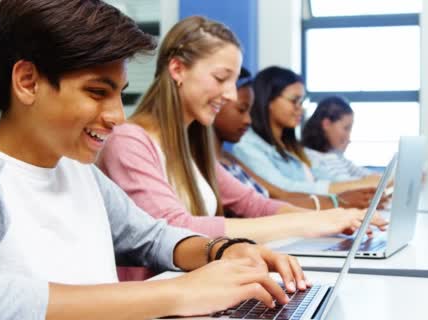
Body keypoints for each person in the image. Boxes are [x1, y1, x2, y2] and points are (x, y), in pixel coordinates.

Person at [0, 2, 313, 319]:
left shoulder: (80, 174)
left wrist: (224, 251)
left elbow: (155, 237)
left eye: (119, 94)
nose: (117, 116)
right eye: (97, 92)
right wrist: (177, 295)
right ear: (28, 82)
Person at [96, 16, 386, 246]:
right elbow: (175, 229)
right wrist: (311, 223)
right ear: (177, 69)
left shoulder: (190, 145)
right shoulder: (129, 141)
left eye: (233, 82)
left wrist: (334, 218)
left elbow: (254, 204)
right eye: (221, 78)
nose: (232, 95)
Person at [214, 68, 377, 210]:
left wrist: (357, 191)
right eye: (294, 101)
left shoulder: (291, 148)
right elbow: (280, 192)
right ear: (268, 100)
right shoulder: (245, 147)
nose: (300, 109)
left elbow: (320, 178)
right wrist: (340, 199)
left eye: (301, 102)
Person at [302, 96, 381, 182]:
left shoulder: (335, 155)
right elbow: (340, 184)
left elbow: (366, 174)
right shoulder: (309, 157)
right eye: (346, 128)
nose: (348, 136)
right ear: (326, 124)